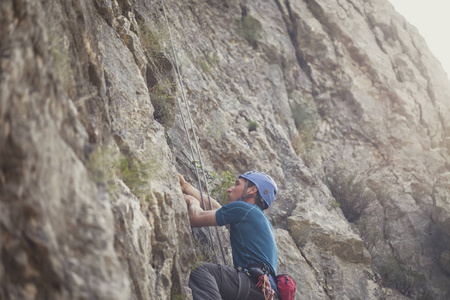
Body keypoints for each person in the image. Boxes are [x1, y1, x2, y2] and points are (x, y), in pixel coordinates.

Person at [179, 171, 280, 300]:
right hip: (267, 292)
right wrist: (186, 187)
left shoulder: (244, 209)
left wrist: (192, 201)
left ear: (252, 189)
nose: (229, 189)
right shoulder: (258, 218)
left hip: (253, 286)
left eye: (237, 184)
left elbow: (195, 218)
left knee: (202, 272)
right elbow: (216, 208)